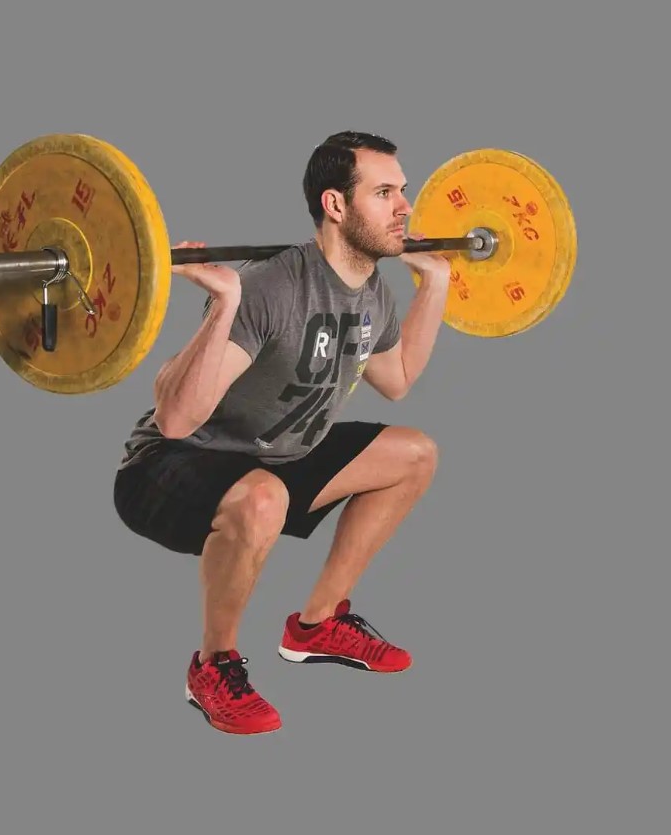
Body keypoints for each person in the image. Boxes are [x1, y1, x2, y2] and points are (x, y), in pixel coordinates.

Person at [113, 131, 451, 735]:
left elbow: (396, 378)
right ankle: (214, 666)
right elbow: (176, 420)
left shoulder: (373, 291)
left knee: (414, 454)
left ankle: (316, 626)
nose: (405, 206)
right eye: (384, 192)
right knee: (263, 495)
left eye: (402, 190)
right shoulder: (274, 286)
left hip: (279, 456)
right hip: (173, 465)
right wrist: (224, 302)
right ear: (336, 206)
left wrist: (438, 285)